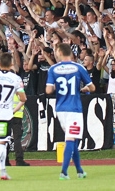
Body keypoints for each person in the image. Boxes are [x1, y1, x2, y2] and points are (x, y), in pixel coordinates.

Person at [46, 43, 94, 180]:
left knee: (72, 140)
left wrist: (57, 85)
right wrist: (85, 89)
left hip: (60, 109)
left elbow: (49, 90)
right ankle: (64, 172)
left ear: (60, 52)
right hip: (74, 109)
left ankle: (79, 170)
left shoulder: (53, 69)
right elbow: (92, 87)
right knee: (71, 140)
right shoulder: (79, 67)